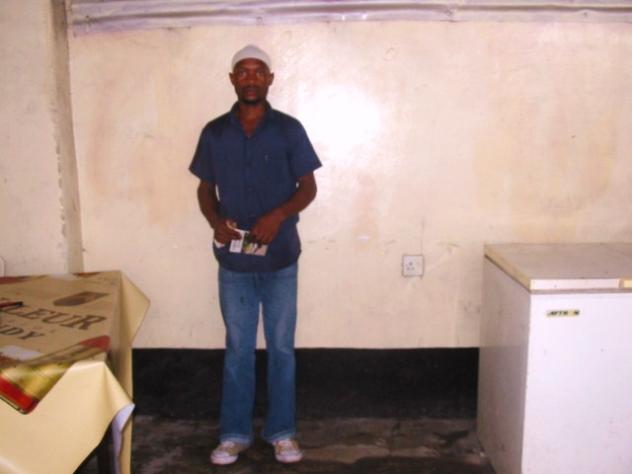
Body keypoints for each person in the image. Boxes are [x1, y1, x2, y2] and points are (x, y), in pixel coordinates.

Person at [189, 45, 321, 465]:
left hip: (280, 258)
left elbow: (308, 187)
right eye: (242, 72)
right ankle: (233, 435)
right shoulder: (214, 133)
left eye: (257, 72)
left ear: (270, 79)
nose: (250, 79)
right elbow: (205, 188)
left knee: (281, 348)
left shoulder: (289, 130)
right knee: (238, 349)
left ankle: (282, 433)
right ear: (233, 79)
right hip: (235, 262)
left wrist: (277, 216)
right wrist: (215, 221)